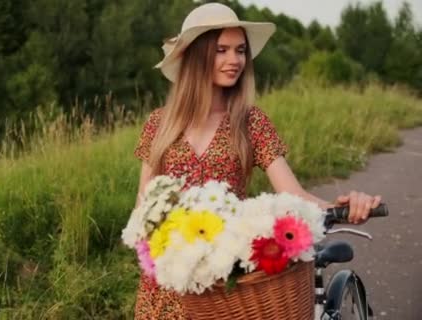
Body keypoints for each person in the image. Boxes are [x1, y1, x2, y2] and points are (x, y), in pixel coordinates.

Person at [132, 3, 382, 319]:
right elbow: (144, 206)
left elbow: (294, 196)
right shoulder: (159, 124)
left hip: (224, 281)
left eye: (240, 50)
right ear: (196, 55)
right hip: (168, 282)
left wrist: (346, 207)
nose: (234, 60)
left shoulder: (251, 122)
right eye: (221, 50)